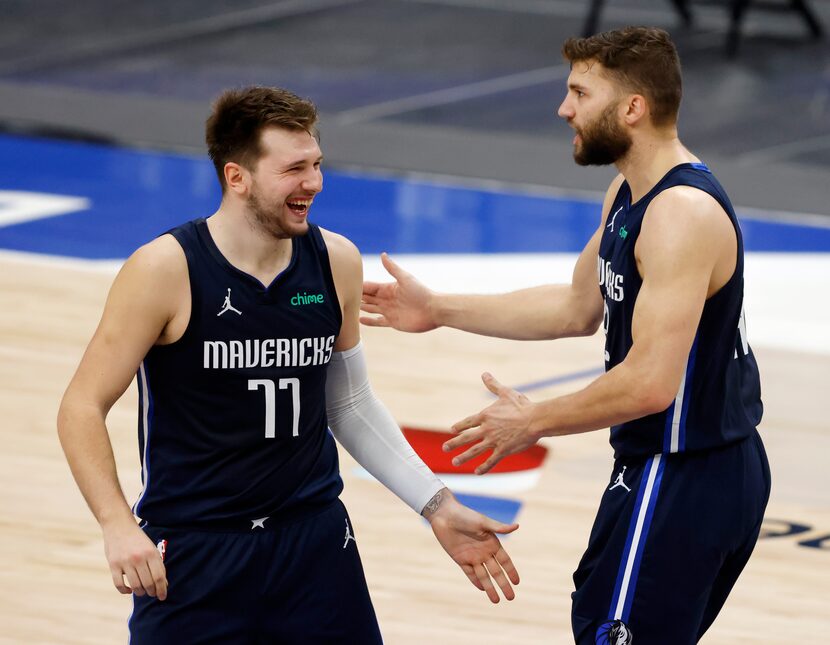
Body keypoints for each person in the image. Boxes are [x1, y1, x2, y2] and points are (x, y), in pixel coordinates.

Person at [56, 86, 520, 644]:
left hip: (314, 544)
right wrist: (116, 525)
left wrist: (437, 504)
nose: (315, 184)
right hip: (197, 549)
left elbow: (347, 403)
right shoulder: (164, 270)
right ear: (237, 177)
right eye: (295, 169)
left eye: (318, 164)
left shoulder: (335, 261)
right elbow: (81, 406)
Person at [361, 26, 770, 645]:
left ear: (633, 108)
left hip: (686, 470)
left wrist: (534, 421)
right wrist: (439, 308)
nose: (564, 109)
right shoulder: (631, 192)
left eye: (580, 92)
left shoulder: (679, 214)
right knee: (602, 618)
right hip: (665, 465)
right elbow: (577, 307)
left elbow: (651, 384)